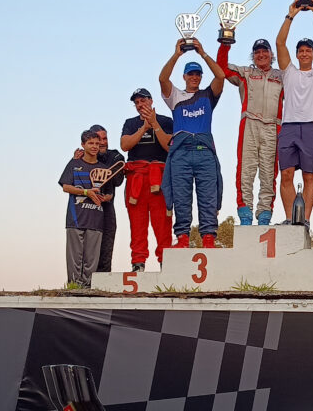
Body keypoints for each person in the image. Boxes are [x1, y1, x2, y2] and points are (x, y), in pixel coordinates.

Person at [159, 38, 225, 248]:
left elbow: (221, 76)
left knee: (208, 196)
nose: (194, 77)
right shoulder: (175, 96)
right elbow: (162, 78)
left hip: (204, 151)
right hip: (181, 153)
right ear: (184, 76)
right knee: (181, 196)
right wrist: (177, 54)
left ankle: (208, 237)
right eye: (191, 74)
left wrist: (202, 53)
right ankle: (182, 237)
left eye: (197, 74)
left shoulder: (208, 95)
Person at [275, 0, 313, 227]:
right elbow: (280, 43)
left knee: (309, 175)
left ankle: (305, 220)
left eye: (309, 50)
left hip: (310, 127)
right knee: (286, 175)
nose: (305, 53)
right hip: (288, 127)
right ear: (297, 54)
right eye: (301, 50)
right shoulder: (289, 71)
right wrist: (291, 15)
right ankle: (291, 219)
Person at [216, 38, 283, 226]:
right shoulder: (246, 73)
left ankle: (265, 214)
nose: (261, 55)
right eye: (257, 52)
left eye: (264, 51)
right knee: (246, 170)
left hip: (273, 126)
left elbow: (300, 95)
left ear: (271, 54)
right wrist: (225, 43)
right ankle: (244, 212)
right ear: (253, 56)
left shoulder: (282, 76)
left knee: (269, 173)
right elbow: (221, 68)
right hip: (250, 124)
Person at [120, 88, 174, 272]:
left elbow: (170, 147)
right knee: (137, 223)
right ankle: (138, 262)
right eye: (136, 102)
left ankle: (165, 262)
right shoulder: (130, 123)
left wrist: (154, 123)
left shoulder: (166, 121)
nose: (140, 105)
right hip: (137, 178)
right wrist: (143, 127)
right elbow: (125, 145)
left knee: (163, 222)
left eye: (143, 100)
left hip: (159, 177)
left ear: (151, 101)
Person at [59, 130, 114, 287]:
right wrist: (85, 192)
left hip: (96, 219)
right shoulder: (74, 164)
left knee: (92, 260)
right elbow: (66, 186)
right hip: (76, 218)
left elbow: (109, 193)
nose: (94, 146)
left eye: (97, 143)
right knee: (75, 259)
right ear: (83, 145)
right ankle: (74, 287)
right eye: (90, 143)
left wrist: (104, 198)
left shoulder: (104, 168)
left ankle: (88, 288)